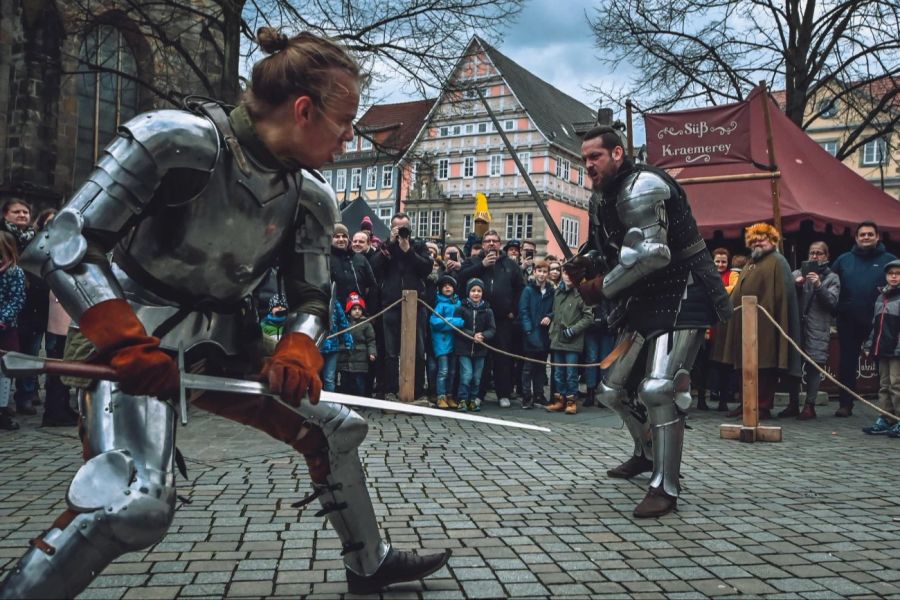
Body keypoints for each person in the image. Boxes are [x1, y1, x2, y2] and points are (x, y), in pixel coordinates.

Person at [0, 28, 449, 598]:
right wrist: (123, 339)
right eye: (345, 121)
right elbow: (64, 242)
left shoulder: (311, 196)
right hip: (132, 336)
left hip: (227, 342)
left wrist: (298, 347)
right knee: (134, 505)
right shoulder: (170, 140)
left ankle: (370, 562)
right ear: (305, 110)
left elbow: (311, 296)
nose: (348, 138)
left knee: (335, 430)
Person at [567, 125, 731, 518]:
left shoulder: (643, 186)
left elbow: (653, 253)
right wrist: (585, 261)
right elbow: (608, 245)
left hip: (684, 288)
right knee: (612, 389)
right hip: (645, 298)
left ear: (618, 153)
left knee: (659, 388)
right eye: (585, 158)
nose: (588, 164)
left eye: (596, 156)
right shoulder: (602, 197)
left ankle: (665, 485)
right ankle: (644, 453)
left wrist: (600, 287)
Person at [713, 223, 802, 420]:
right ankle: (746, 403)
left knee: (765, 366)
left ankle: (762, 405)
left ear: (772, 240)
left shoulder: (778, 262)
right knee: (745, 366)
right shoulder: (751, 262)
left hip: (767, 325)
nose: (757, 243)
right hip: (745, 325)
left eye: (761, 239)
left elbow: (783, 295)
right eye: (753, 240)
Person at [831, 221, 897, 417]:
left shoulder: (890, 260)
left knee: (884, 366)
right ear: (856, 238)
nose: (866, 237)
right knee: (847, 363)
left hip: (881, 322)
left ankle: (887, 409)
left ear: (877, 237)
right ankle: (845, 404)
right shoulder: (843, 260)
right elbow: (831, 284)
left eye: (870, 234)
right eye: (862, 235)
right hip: (848, 320)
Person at [457, 229, 525, 408]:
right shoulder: (473, 261)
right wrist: (482, 266)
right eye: (487, 240)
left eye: (495, 240)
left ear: (500, 243)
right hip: (479, 317)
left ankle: (504, 394)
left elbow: (521, 289)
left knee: (503, 358)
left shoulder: (510, 264)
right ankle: (478, 394)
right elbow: (461, 279)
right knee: (481, 359)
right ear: (483, 243)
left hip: (503, 319)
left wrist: (513, 310)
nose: (491, 244)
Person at [371, 212, 433, 402]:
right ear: (392, 228)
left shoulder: (419, 246)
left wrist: (408, 251)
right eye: (397, 227)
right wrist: (390, 244)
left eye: (404, 227)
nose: (401, 231)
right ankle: (390, 390)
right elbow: (373, 267)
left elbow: (426, 268)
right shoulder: (385, 247)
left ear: (410, 227)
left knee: (418, 349)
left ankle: (418, 391)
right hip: (391, 304)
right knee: (390, 352)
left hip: (416, 305)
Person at [783, 242, 840, 420]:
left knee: (814, 366)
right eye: (812, 253)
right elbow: (784, 296)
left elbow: (832, 303)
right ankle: (792, 404)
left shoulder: (832, 278)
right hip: (796, 327)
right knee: (793, 365)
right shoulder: (797, 273)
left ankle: (810, 406)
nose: (815, 256)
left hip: (817, 327)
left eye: (819, 253)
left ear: (827, 256)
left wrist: (818, 285)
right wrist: (795, 286)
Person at [2, 199, 46, 417]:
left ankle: (25, 397)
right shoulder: (3, 237)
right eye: (16, 211)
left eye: (25, 211)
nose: (22, 215)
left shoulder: (38, 238)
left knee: (30, 354)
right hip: (6, 308)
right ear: (5, 215)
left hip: (33, 304)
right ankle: (3, 401)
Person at [860, 259, 900, 437]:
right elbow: (875, 325)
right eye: (891, 273)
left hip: (896, 349)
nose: (894, 276)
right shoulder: (880, 297)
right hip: (881, 347)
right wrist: (869, 344)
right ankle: (886, 417)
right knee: (883, 385)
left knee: (896, 384)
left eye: (898, 273)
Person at [545, 270, 593, 415]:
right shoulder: (558, 292)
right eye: (566, 273)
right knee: (558, 372)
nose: (568, 276)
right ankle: (560, 399)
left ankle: (571, 401)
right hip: (557, 338)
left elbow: (588, 317)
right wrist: (551, 328)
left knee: (571, 373)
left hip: (573, 340)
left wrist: (573, 330)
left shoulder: (581, 294)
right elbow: (555, 311)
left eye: (571, 274)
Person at [454, 278, 495, 412]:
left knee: (477, 377)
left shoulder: (488, 310)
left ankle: (473, 399)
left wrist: (483, 335)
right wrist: (473, 335)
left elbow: (492, 329)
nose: (476, 293)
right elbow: (457, 327)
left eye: (478, 291)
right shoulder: (461, 309)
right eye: (473, 291)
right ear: (468, 292)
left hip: (480, 350)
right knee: (466, 375)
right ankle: (462, 400)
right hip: (464, 349)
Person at [518, 260, 554, 408]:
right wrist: (528, 330)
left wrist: (550, 316)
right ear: (534, 272)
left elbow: (555, 308)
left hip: (545, 334)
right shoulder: (528, 290)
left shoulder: (551, 291)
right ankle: (527, 396)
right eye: (539, 271)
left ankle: (539, 394)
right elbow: (524, 311)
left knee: (541, 368)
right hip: (531, 333)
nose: (542, 274)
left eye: (545, 272)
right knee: (528, 368)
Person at [0, 231, 25, 431]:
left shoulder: (14, 272)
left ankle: (2, 409)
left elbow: (16, 299)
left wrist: (3, 319)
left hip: (5, 329)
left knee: (3, 372)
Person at [429, 275, 463, 409]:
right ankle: (441, 396)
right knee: (443, 371)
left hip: (455, 343)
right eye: (444, 286)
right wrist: (455, 322)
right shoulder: (439, 304)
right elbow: (434, 322)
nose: (447, 287)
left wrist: (447, 322)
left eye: (450, 285)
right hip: (442, 343)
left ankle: (449, 395)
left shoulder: (458, 303)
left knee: (453, 371)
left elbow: (464, 319)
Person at [340, 292, 376, 397]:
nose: (357, 311)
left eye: (359, 309)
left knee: (359, 383)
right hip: (345, 359)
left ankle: (360, 401)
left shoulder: (366, 324)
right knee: (345, 383)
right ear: (349, 310)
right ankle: (345, 402)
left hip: (360, 359)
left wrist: (372, 353)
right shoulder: (344, 324)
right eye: (354, 309)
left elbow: (371, 340)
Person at [331, 222, 376, 304]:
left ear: (348, 238)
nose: (341, 239)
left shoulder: (361, 259)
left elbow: (371, 286)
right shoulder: (327, 259)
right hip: (336, 311)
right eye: (337, 236)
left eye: (344, 236)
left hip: (359, 310)